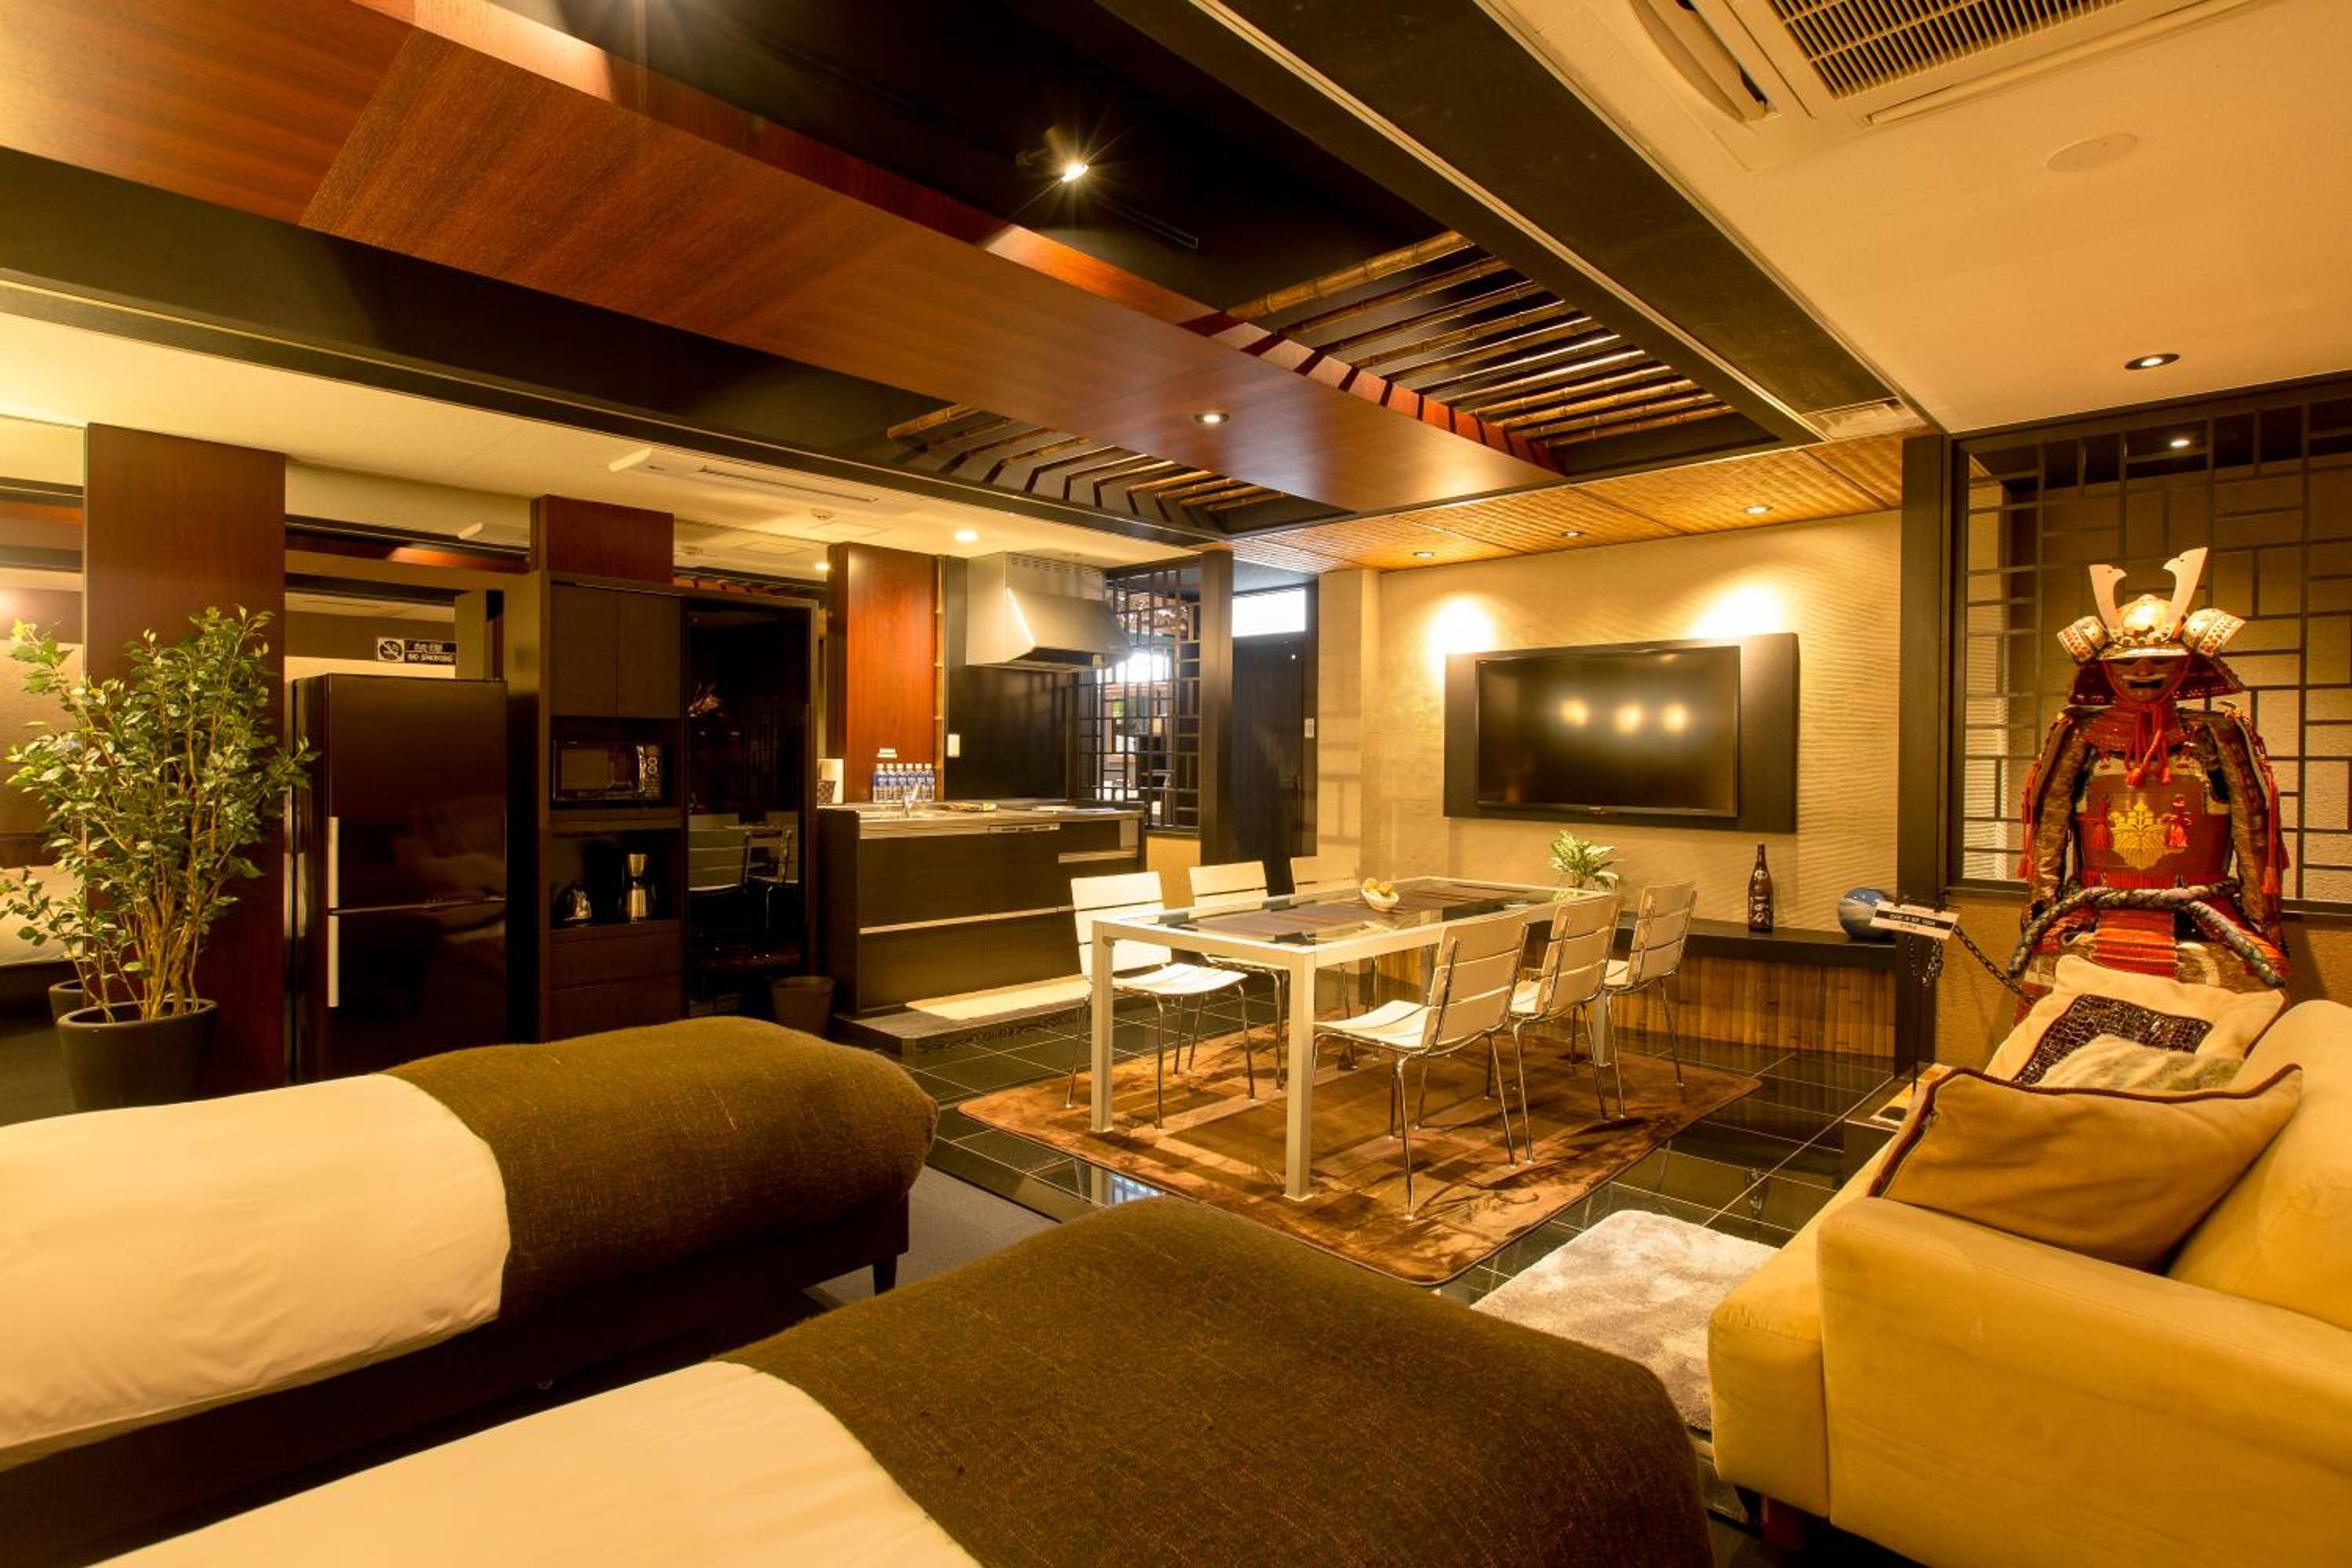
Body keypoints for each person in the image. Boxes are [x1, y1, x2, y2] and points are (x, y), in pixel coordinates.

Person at [2012, 546, 2288, 993]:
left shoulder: (2218, 735)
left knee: (2237, 991)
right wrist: (2044, 909)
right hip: (2094, 910)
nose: (2142, 670)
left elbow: (2255, 833)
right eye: (2126, 662)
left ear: (2186, 663)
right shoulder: (2079, 735)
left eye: (2160, 659)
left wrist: (2262, 920)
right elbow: (2049, 828)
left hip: (2201, 915)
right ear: (2105, 668)